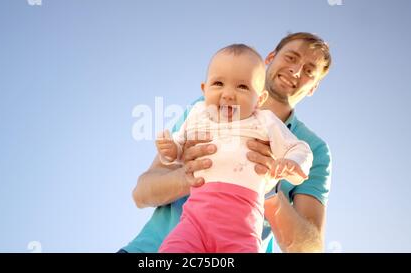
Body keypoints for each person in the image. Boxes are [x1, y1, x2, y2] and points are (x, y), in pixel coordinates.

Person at [122, 32, 332, 253]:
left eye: (309, 71)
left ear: (313, 88)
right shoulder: (204, 110)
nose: (296, 70)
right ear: (270, 57)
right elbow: (141, 193)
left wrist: (265, 187)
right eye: (291, 57)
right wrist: (197, 174)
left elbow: (310, 249)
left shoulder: (313, 149)